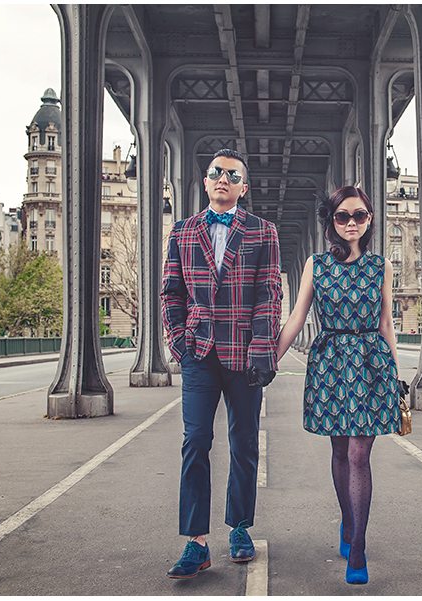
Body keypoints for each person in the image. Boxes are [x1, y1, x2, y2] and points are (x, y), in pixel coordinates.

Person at [161, 149, 282, 579]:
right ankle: (196, 542)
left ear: (243, 187)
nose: (223, 179)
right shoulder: (182, 232)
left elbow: (270, 294)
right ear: (207, 180)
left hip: (245, 356)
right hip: (198, 354)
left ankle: (240, 528)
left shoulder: (263, 232)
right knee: (195, 441)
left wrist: (263, 348)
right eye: (216, 172)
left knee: (244, 443)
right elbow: (171, 293)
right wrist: (179, 343)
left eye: (232, 175)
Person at [275, 185, 402, 585]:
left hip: (370, 364)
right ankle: (348, 522)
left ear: (369, 220)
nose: (352, 223)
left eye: (359, 216)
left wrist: (397, 375)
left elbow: (386, 324)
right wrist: (267, 360)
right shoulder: (316, 265)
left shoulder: (381, 266)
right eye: (343, 216)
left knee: (360, 454)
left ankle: (359, 546)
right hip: (330, 363)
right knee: (339, 451)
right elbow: (297, 317)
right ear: (331, 222)